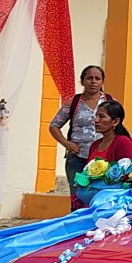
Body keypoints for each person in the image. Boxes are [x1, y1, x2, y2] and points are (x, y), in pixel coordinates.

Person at [49, 65, 107, 193]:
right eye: (89, 78)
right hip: (77, 158)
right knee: (77, 196)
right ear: (82, 81)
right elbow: (54, 125)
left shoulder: (109, 102)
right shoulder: (73, 103)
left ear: (102, 81)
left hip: (103, 159)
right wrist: (66, 143)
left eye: (97, 78)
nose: (93, 82)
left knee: (100, 197)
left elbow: (117, 126)